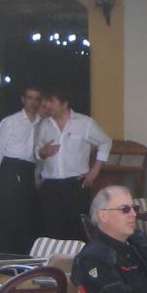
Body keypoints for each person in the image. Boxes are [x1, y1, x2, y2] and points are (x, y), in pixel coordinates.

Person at [35, 89, 111, 241]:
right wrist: (43, 152)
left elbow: (105, 142)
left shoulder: (84, 123)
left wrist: (95, 170)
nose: (47, 105)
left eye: (52, 102)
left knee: (77, 229)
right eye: (47, 101)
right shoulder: (45, 124)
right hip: (50, 184)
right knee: (51, 230)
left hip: (75, 183)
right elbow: (37, 151)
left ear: (65, 103)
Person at [0, 84, 42, 253]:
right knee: (8, 215)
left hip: (29, 170)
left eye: (36, 99)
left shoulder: (41, 123)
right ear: (23, 100)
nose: (33, 102)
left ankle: (22, 255)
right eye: (30, 98)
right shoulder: (10, 121)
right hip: (11, 168)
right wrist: (8, 171)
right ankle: (3, 254)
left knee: (26, 215)